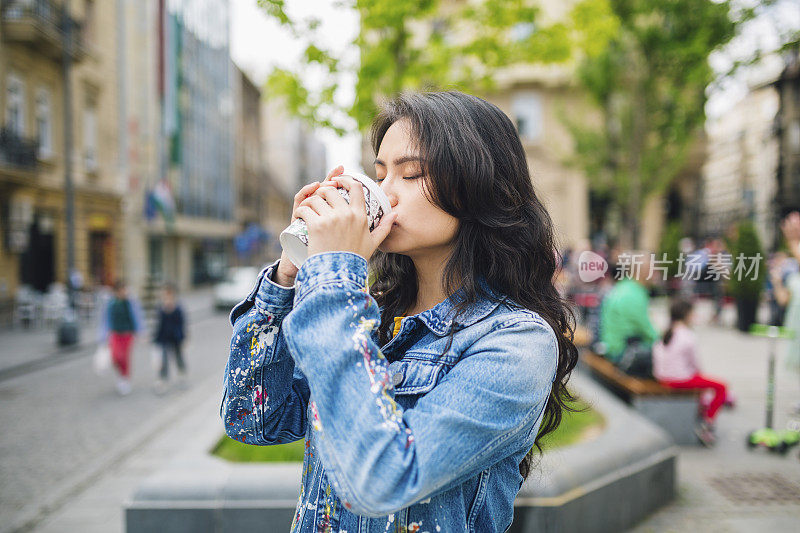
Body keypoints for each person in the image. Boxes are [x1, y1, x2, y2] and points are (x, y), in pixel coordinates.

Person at [220, 91, 578, 532]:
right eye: (379, 174)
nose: (384, 194)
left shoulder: (515, 341)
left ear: (478, 186)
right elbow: (253, 419)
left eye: (411, 174)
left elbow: (384, 480)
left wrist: (334, 278)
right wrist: (291, 273)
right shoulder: (368, 318)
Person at [652, 298, 728, 446]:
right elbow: (695, 365)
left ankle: (701, 417)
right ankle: (708, 423)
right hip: (678, 379)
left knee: (702, 384)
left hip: (662, 377)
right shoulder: (688, 335)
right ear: (687, 314)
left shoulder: (665, 332)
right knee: (721, 387)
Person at [598, 251, 659, 376]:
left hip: (611, 346)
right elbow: (647, 331)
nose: (656, 274)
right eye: (653, 270)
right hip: (621, 352)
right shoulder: (634, 294)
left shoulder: (623, 287)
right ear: (643, 272)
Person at [99, 279, 144, 395]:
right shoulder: (111, 303)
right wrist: (103, 337)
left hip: (127, 334)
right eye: (122, 290)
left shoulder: (130, 302)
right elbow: (105, 320)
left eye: (125, 289)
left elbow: (137, 317)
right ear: (117, 291)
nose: (125, 292)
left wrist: (139, 332)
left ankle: (125, 378)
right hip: (115, 334)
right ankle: (121, 375)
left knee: (124, 358)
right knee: (115, 357)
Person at [152, 282, 186, 394]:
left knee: (178, 357)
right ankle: (163, 381)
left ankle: (182, 375)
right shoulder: (161, 308)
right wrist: (155, 338)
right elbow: (158, 325)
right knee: (163, 360)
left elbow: (181, 324)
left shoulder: (178, 308)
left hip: (176, 338)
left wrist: (183, 338)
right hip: (164, 338)